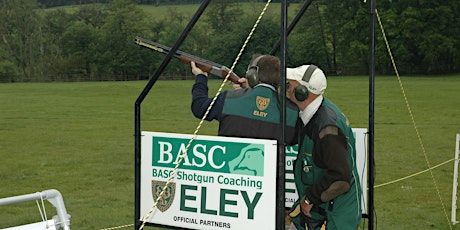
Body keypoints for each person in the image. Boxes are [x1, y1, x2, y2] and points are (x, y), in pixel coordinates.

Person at [285, 64, 362, 230]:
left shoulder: (327, 128)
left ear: (302, 93)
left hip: (334, 216)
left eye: (289, 85)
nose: (286, 89)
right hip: (321, 208)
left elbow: (341, 177)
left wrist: (309, 199)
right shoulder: (312, 113)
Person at [190, 54, 299, 145]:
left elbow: (199, 107)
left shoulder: (228, 98)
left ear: (253, 75)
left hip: (231, 166)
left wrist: (201, 77)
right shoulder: (292, 112)